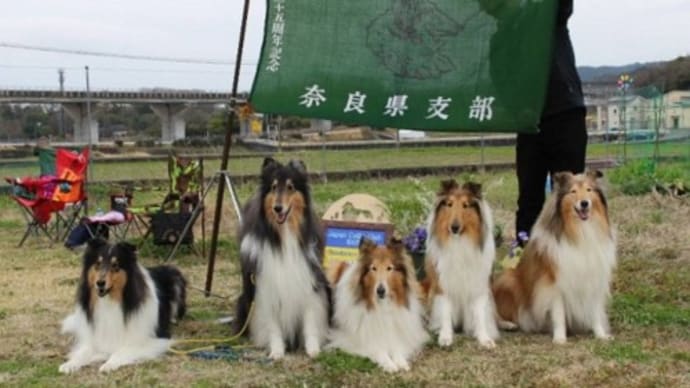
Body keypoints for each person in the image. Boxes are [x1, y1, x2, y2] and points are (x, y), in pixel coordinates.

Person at [515, 0, 586, 240]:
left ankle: (572, 257)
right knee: (529, 198)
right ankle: (526, 257)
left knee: (570, 194)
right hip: (529, 123)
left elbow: (563, 4)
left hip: (566, 115)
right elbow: (501, 80)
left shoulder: (550, 18)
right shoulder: (503, 38)